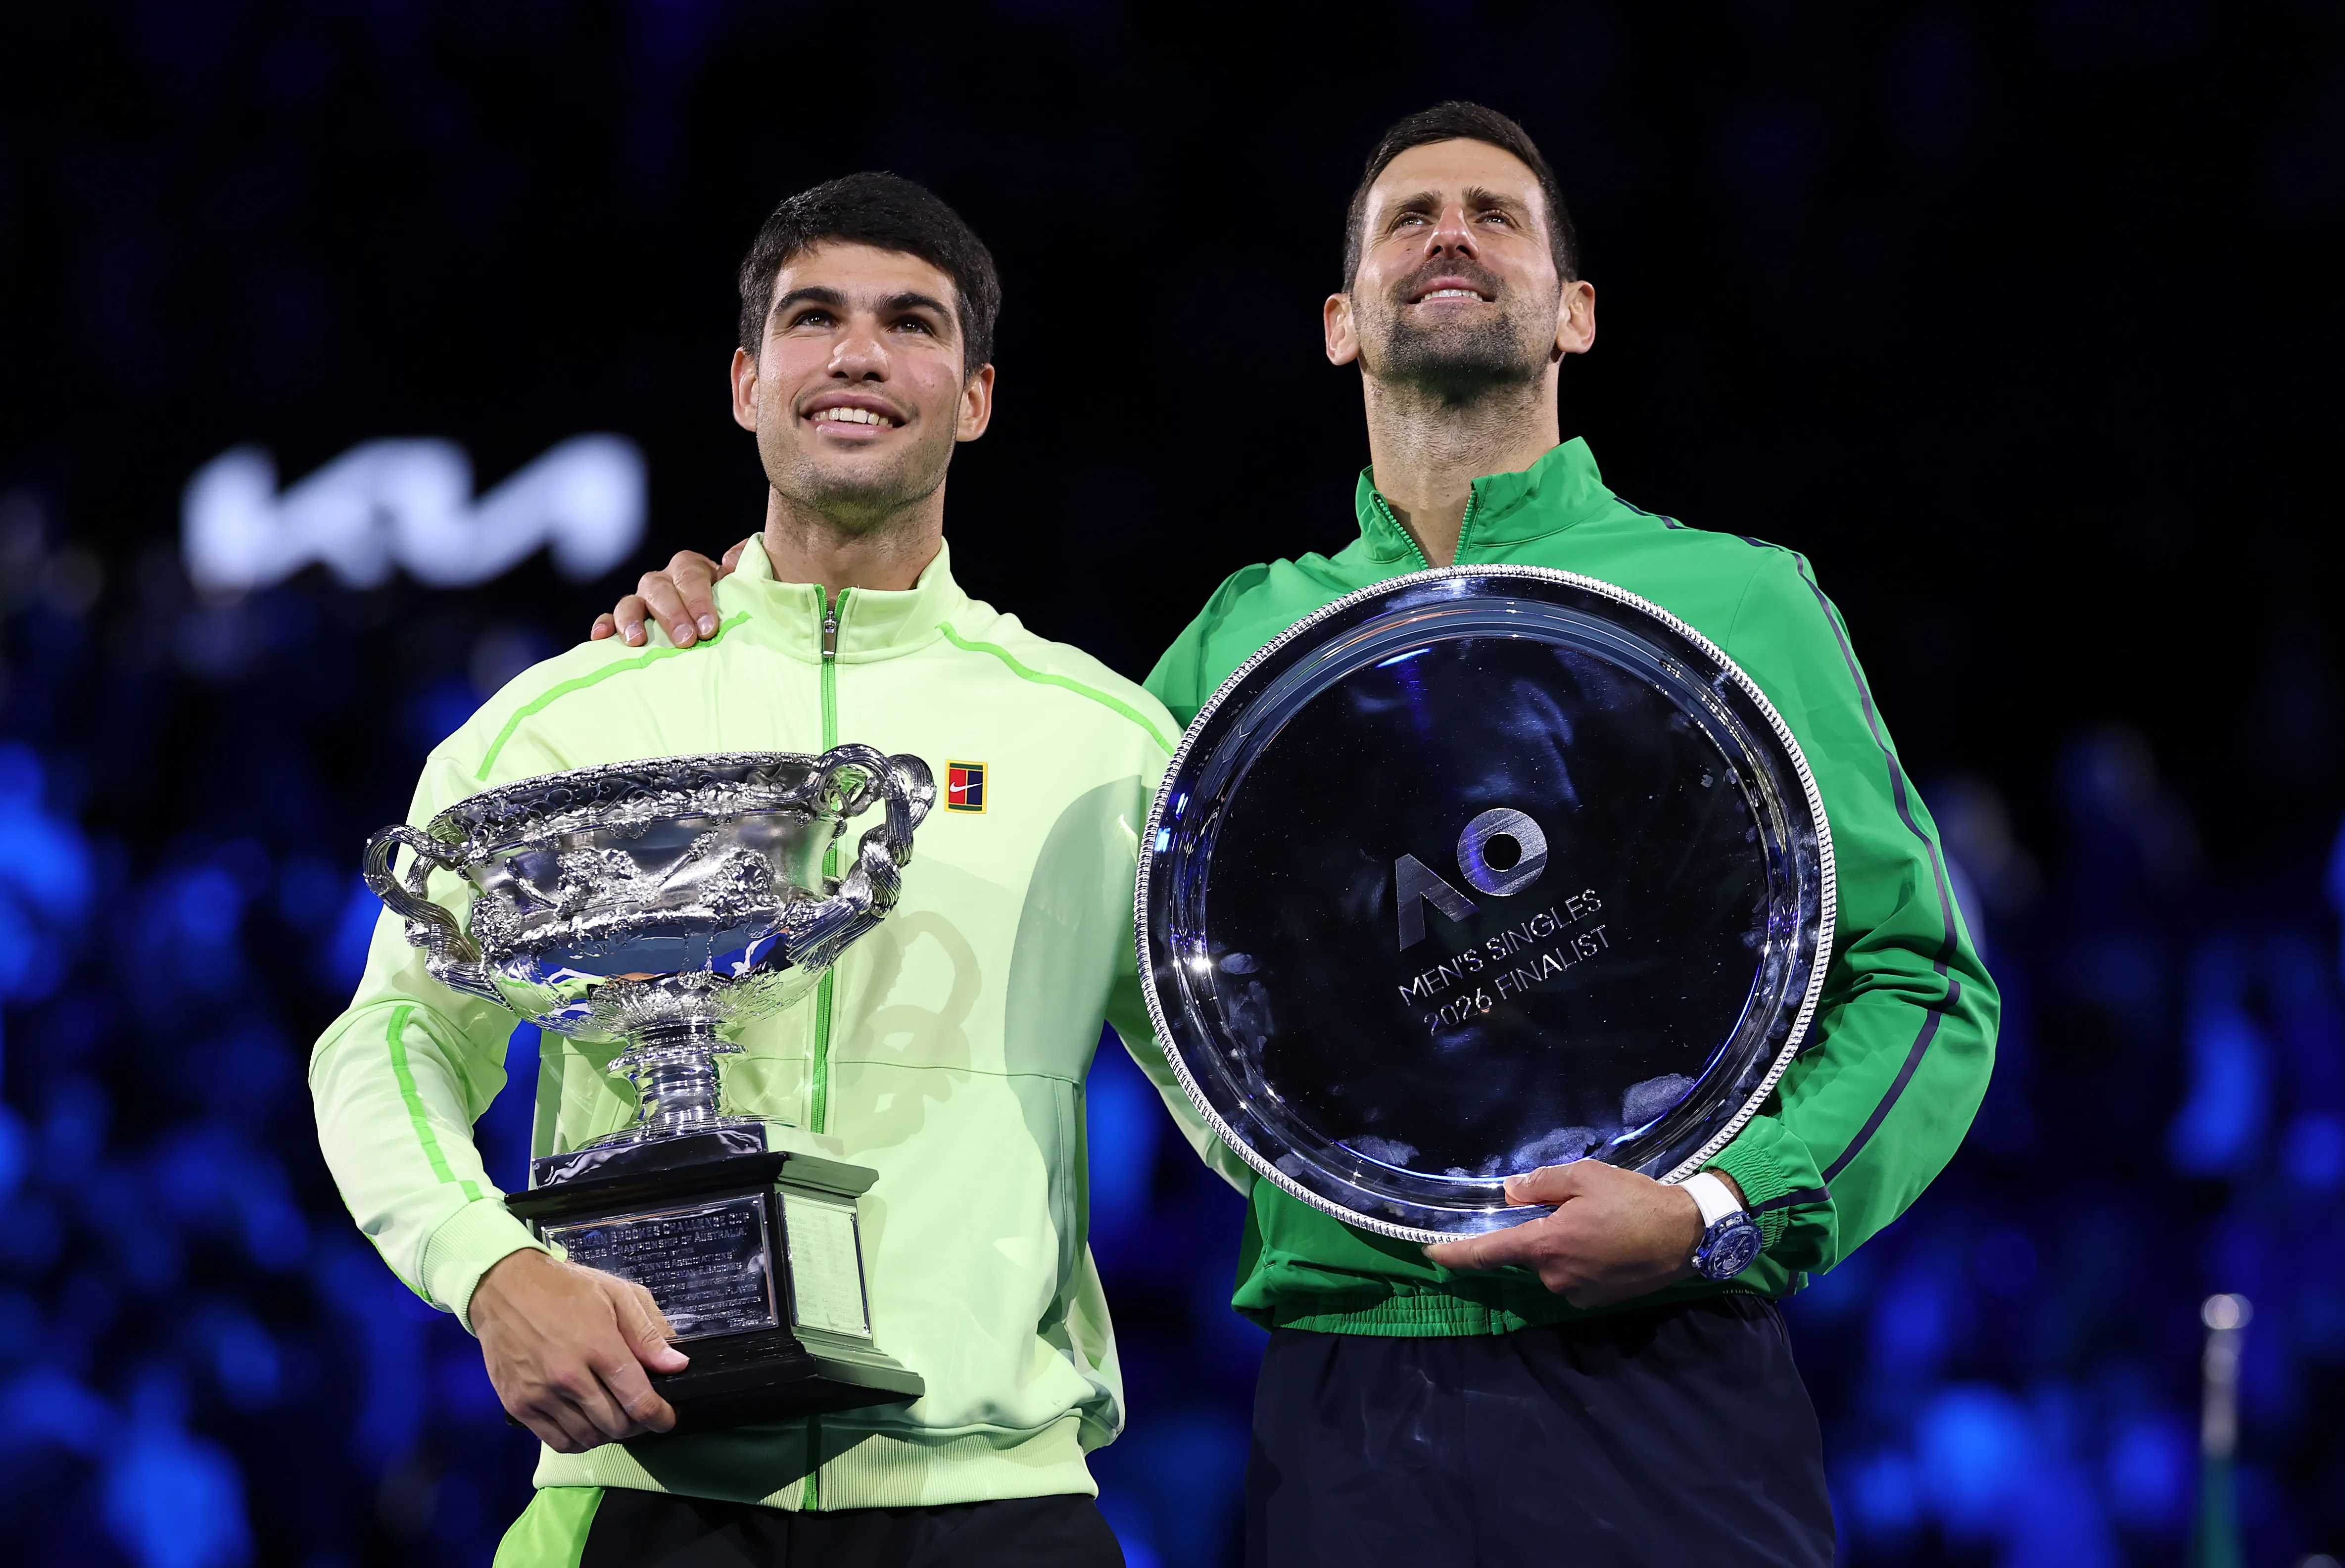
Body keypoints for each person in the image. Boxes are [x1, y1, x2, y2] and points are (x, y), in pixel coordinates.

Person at [597, 103, 1999, 1567]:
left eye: (1494, 215)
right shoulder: (1239, 651)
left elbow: (1926, 985)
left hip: (1668, 1371)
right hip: (1349, 1406)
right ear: (1342, 325)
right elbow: (1029, 873)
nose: (1450, 233)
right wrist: (737, 612)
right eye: (1410, 217)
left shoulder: (1742, 601)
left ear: (1574, 313)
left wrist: (1715, 1206)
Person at [313, 171, 1246, 1568]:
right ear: (748, 382)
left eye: (911, 324)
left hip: (994, 1506)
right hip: (636, 1498)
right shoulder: (569, 718)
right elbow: (389, 1041)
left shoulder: (1102, 740)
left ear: (976, 397)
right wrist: (490, 1271)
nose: (860, 354)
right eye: (815, 319)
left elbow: (1246, 1103)